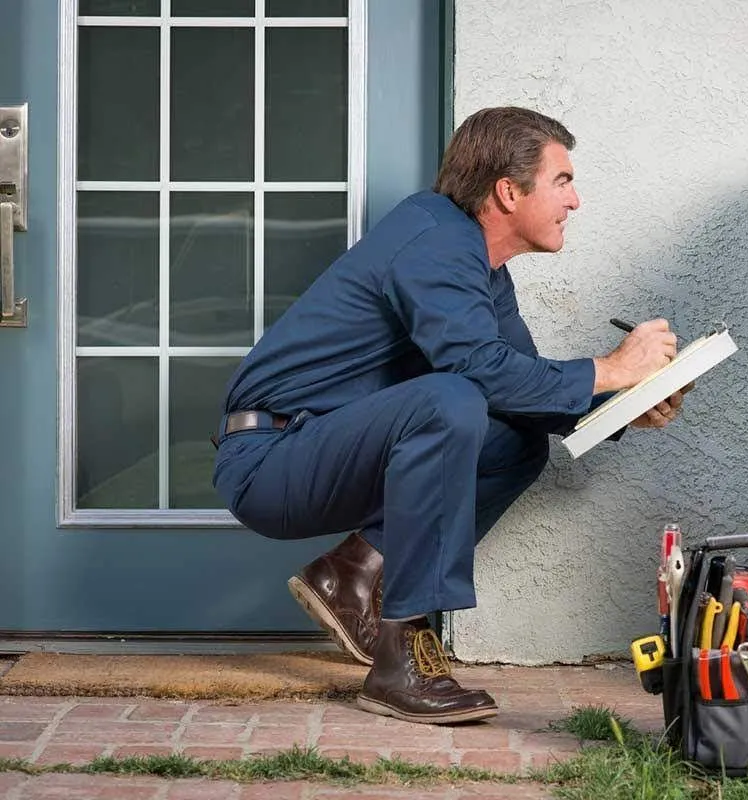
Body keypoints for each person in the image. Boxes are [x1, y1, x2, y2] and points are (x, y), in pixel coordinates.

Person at [212, 106, 688, 726]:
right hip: (270, 460)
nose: (576, 201)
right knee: (453, 397)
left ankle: (351, 576)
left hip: (319, 446)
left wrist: (626, 406)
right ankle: (399, 660)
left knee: (517, 441)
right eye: (563, 181)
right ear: (508, 192)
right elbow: (478, 370)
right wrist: (614, 367)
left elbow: (522, 389)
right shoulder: (435, 238)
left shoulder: (482, 268)